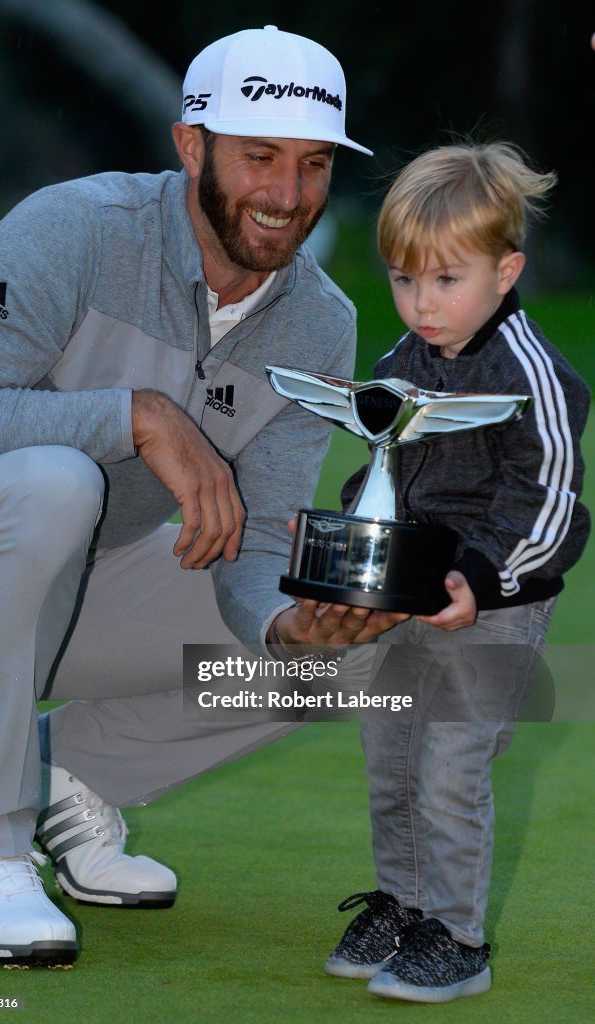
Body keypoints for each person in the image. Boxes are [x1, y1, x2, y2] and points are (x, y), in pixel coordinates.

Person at [0, 25, 402, 967]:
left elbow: (256, 541)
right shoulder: (75, 229)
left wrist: (289, 626)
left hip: (81, 601)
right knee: (52, 481)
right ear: (191, 146)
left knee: (362, 650)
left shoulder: (318, 321)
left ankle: (64, 773)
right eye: (258, 156)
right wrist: (136, 415)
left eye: (313, 165)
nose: (285, 195)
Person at [323, 141, 591, 1002]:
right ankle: (403, 909)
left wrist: (480, 576)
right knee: (390, 755)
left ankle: (458, 939)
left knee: (448, 766)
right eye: (404, 279)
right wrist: (354, 540)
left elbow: (545, 496)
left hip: (496, 600)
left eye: (445, 280)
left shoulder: (533, 375)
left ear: (505, 270)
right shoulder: (400, 365)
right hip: (409, 594)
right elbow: (382, 470)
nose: (421, 303)